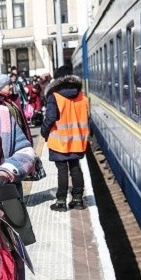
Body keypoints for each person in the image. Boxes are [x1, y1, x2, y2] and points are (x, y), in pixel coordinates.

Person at [42, 66, 90, 211]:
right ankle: (78, 200)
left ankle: (61, 202)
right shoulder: (82, 96)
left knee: (62, 171)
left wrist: (44, 132)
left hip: (59, 142)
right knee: (75, 169)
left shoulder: (54, 96)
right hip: (78, 141)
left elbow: (50, 117)